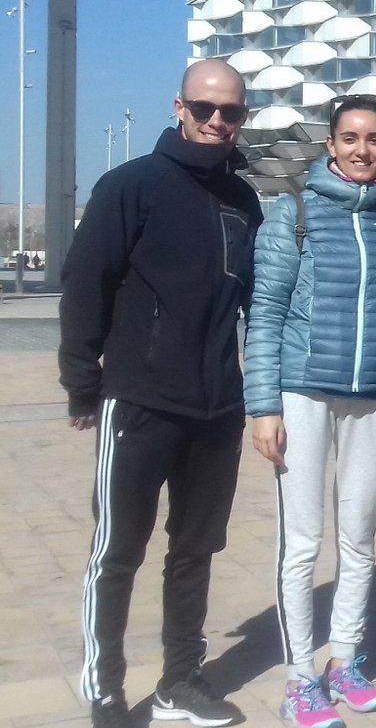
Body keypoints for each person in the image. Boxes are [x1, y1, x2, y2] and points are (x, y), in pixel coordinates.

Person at [60, 59, 261, 728]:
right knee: (117, 550)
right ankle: (106, 690)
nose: (216, 121)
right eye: (205, 107)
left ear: (242, 116)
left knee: (195, 550)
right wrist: (82, 382)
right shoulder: (131, 186)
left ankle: (181, 681)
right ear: (179, 106)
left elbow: (255, 302)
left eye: (230, 111)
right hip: (141, 402)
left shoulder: (244, 201)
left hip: (217, 410)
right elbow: (86, 281)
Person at [243, 94, 376, 728]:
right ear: (331, 144)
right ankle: (299, 676)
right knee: (303, 541)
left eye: (375, 139)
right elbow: (263, 314)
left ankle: (343, 659)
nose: (362, 149)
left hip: (372, 393)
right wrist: (263, 406)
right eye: (350, 138)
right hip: (303, 391)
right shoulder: (291, 214)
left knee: (360, 534)